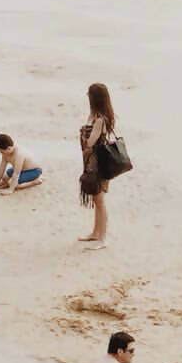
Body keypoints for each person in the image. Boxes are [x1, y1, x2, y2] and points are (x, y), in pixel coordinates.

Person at [79, 83, 118, 246]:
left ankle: (102, 237)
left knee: (99, 200)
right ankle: (95, 233)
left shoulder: (100, 119)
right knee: (96, 200)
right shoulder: (96, 116)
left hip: (98, 165)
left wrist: (85, 139)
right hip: (91, 164)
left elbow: (91, 141)